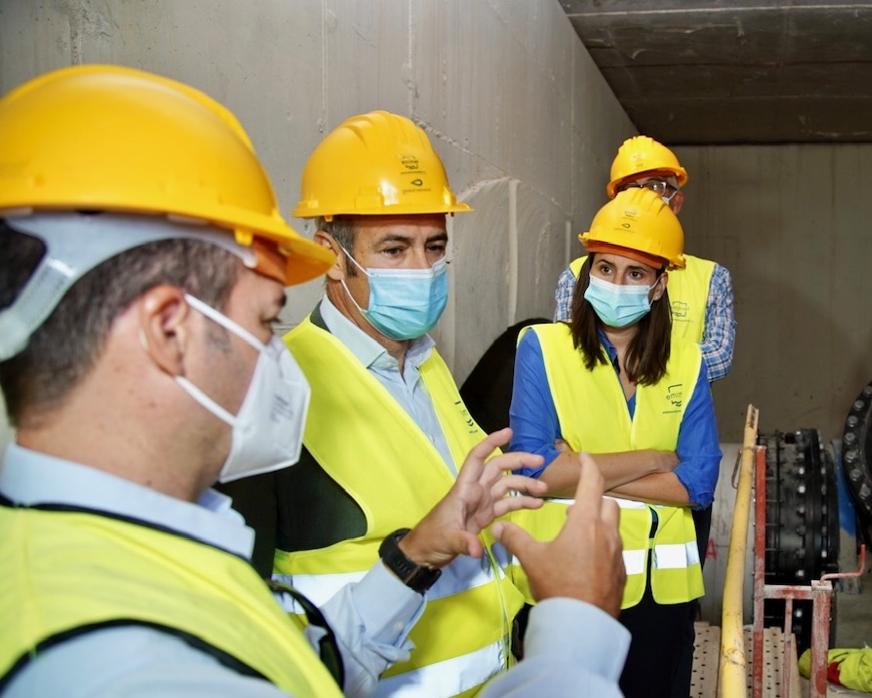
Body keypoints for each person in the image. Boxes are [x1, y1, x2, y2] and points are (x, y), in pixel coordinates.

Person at [0, 64, 629, 698]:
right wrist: (578, 629)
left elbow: (302, 666)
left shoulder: (107, 555)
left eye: (434, 246)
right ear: (169, 331)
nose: (276, 357)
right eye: (265, 323)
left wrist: (414, 554)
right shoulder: (119, 663)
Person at [219, 110, 521, 697]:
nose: (424, 270)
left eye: (435, 247)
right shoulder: (276, 384)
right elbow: (249, 618)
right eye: (395, 249)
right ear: (333, 256)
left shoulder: (428, 364)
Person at [509, 188, 722, 698]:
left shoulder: (687, 363)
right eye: (605, 268)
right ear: (587, 273)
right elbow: (536, 473)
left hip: (663, 593)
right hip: (570, 574)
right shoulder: (542, 347)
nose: (616, 283)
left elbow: (699, 481)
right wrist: (654, 459)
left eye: (635, 273)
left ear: (658, 285)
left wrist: (578, 466)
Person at [554, 135, 737, 383]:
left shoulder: (711, 278)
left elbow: (719, 357)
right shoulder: (578, 273)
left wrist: (637, 364)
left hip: (675, 416)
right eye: (630, 188)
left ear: (677, 202)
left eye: (655, 187)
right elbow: (567, 350)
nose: (643, 198)